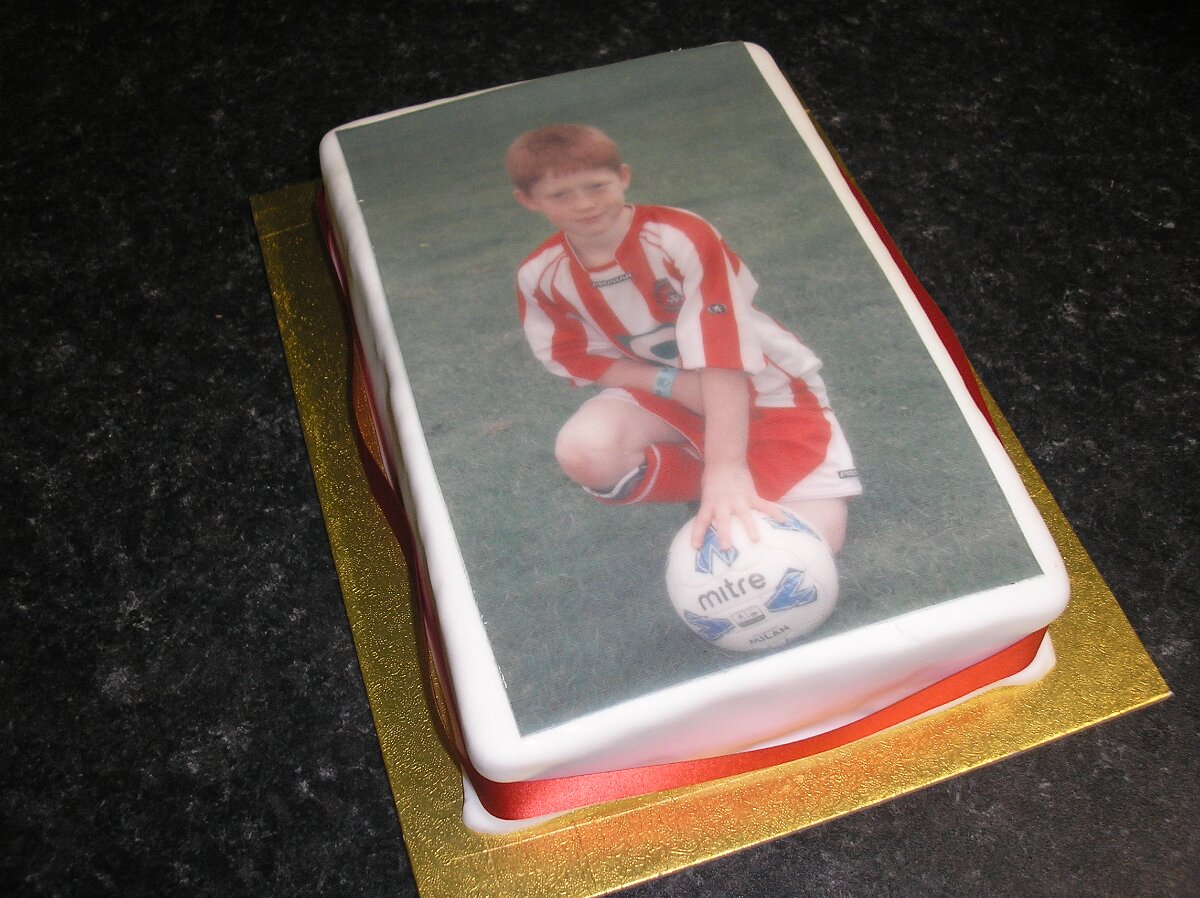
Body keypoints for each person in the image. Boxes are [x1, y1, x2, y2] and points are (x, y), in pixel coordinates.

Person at [507, 124, 861, 553]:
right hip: (671, 398)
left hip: (769, 396)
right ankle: (710, 483)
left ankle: (729, 476)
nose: (583, 204)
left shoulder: (679, 236)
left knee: (808, 549)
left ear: (623, 176)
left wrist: (727, 467)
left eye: (596, 186)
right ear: (528, 201)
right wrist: (671, 384)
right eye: (560, 194)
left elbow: (721, 352)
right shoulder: (541, 275)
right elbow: (577, 357)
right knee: (586, 451)